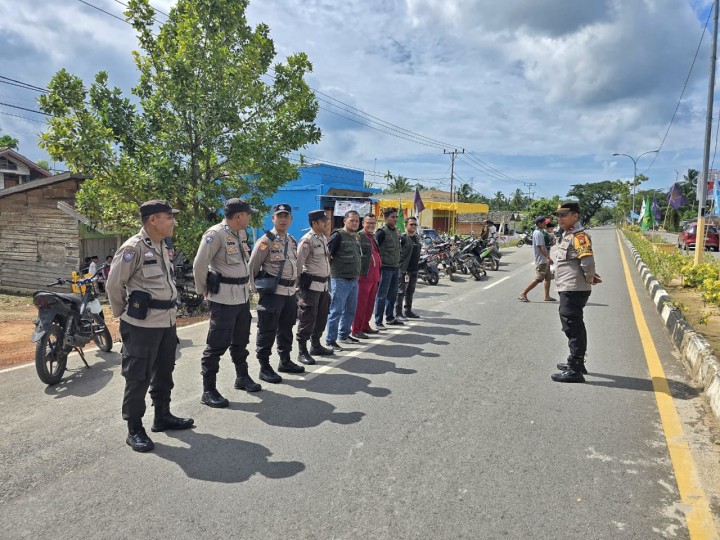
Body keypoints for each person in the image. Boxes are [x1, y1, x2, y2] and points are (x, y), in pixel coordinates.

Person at [106, 200, 194, 453]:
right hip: (142, 325)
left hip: (166, 322)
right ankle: (134, 428)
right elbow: (114, 285)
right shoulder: (133, 248)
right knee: (138, 376)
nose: (173, 222)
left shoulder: (162, 244)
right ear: (154, 220)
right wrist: (124, 315)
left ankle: (162, 416)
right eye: (169, 217)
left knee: (165, 370)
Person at [193, 198, 261, 409]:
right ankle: (209, 390)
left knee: (240, 340)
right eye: (248, 214)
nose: (250, 217)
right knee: (216, 344)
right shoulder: (215, 234)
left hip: (241, 297)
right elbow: (199, 264)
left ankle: (242, 377)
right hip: (222, 298)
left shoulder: (240, 233)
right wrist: (202, 289)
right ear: (238, 215)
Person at [248, 203, 305, 384]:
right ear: (273, 218)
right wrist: (254, 292)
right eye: (279, 216)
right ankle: (264, 367)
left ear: (290, 219)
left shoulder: (291, 240)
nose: (283, 219)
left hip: (289, 292)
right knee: (267, 330)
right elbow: (252, 267)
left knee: (286, 328)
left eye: (286, 216)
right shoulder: (266, 240)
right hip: (272, 293)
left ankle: (285, 360)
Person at [551, 202, 602, 383]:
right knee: (574, 325)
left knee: (573, 326)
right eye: (558, 215)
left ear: (575, 216)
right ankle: (576, 363)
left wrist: (589, 278)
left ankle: (575, 368)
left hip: (573, 288)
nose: (560, 218)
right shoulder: (567, 235)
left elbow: (587, 261)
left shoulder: (580, 237)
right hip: (568, 287)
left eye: (564, 215)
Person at [296, 209, 333, 364]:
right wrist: (297, 286)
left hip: (323, 285)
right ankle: (302, 351)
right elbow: (298, 264)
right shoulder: (307, 240)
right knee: (307, 319)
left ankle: (316, 345)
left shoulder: (322, 238)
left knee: (321, 316)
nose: (326, 223)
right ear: (314, 223)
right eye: (323, 221)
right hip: (310, 286)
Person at [325, 210, 362, 350]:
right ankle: (330, 340)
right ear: (344, 221)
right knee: (336, 311)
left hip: (353, 280)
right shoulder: (337, 236)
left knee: (351, 310)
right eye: (351, 220)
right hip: (339, 279)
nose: (354, 223)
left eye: (357, 221)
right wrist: (328, 275)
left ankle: (344, 334)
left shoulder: (355, 237)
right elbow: (328, 256)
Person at [352, 213, 382, 338]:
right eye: (368, 223)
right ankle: (356, 329)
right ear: (363, 223)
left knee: (370, 304)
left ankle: (365, 325)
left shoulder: (373, 236)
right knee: (361, 304)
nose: (371, 225)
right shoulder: (358, 236)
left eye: (373, 223)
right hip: (364, 276)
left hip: (375, 276)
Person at [374, 207, 403, 327]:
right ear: (386, 218)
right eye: (393, 217)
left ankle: (390, 317)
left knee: (393, 295)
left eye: (396, 217)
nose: (395, 219)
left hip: (395, 267)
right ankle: (378, 320)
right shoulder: (381, 232)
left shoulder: (396, 231)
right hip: (385, 268)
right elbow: (375, 250)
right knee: (382, 295)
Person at [518, 216, 555, 302]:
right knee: (538, 279)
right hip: (542, 260)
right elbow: (540, 246)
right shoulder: (537, 233)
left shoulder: (540, 232)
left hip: (544, 260)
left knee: (548, 278)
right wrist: (548, 257)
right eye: (544, 222)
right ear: (539, 223)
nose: (545, 224)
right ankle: (523, 293)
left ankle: (547, 296)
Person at [395, 216, 421, 319]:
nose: (413, 226)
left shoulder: (416, 238)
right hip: (404, 270)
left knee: (410, 292)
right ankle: (398, 313)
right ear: (406, 225)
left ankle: (408, 311)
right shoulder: (402, 238)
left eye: (415, 224)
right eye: (411, 224)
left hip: (414, 269)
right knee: (401, 292)